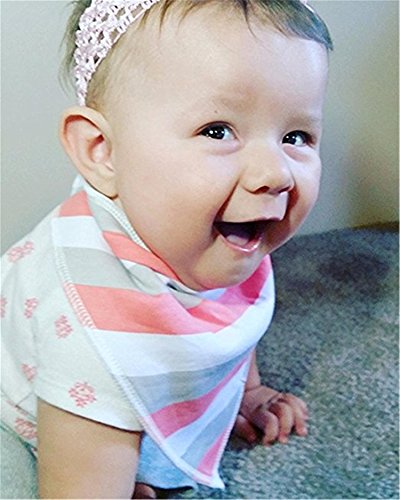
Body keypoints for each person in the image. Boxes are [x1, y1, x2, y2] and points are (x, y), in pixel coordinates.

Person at [1, 0, 332, 497]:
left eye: (296, 136)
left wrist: (248, 391)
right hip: (25, 412)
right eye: (217, 131)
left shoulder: (213, 235)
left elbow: (227, 304)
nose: (275, 173)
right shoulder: (94, 332)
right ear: (102, 151)